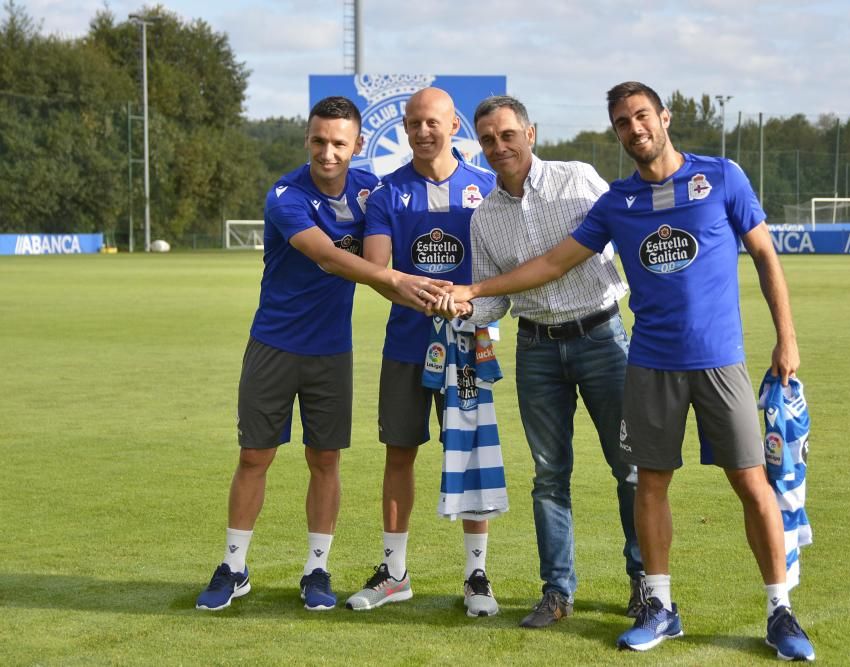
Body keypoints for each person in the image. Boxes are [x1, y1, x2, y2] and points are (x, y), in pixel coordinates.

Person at [439, 82, 815, 661]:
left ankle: (780, 611)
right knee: (643, 481)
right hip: (644, 363)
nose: (634, 128)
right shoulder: (616, 202)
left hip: (706, 360)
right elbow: (551, 263)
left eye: (642, 116)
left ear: (664, 117)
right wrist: (471, 294)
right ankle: (659, 607)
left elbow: (765, 255)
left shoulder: (720, 177)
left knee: (749, 483)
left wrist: (787, 339)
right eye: (622, 121)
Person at [195, 96, 447, 613]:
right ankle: (234, 567)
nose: (327, 153)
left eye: (338, 142)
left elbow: (401, 236)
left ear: (357, 145)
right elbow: (331, 259)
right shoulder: (285, 195)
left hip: (332, 352)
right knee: (254, 457)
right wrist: (402, 279)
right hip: (273, 345)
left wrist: (445, 294)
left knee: (325, 460)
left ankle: (316, 569)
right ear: (307, 140)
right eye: (318, 141)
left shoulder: (372, 191)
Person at [434, 95, 645, 629]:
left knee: (631, 468)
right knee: (549, 476)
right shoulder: (484, 217)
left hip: (603, 338)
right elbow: (492, 300)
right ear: (478, 146)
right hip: (536, 350)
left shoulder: (580, 179)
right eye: (488, 140)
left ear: (531, 133)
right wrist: (457, 302)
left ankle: (645, 583)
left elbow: (627, 238)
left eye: (508, 135)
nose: (499, 147)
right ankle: (557, 593)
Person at [344, 87, 500, 618]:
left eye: (432, 122)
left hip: (471, 347)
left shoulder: (487, 187)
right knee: (399, 452)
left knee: (473, 454)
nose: (422, 131)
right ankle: (395, 572)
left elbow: (499, 270)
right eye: (413, 123)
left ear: (453, 125)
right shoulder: (388, 193)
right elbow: (378, 270)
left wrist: (465, 301)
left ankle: (476, 575)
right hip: (408, 347)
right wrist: (431, 294)